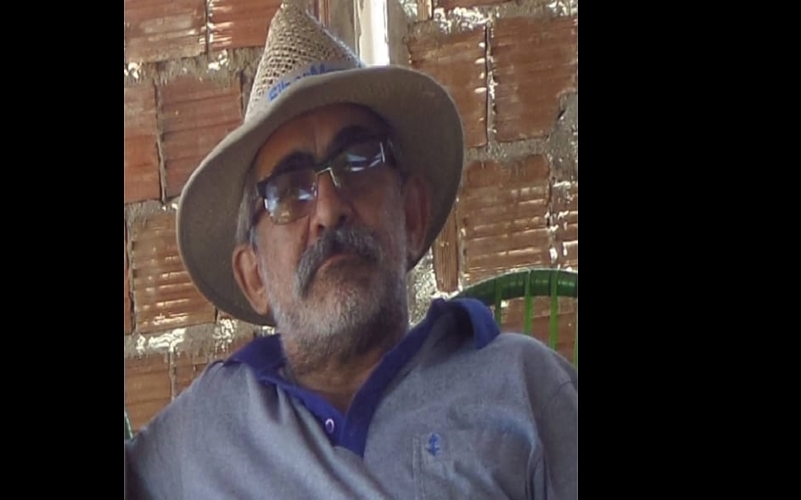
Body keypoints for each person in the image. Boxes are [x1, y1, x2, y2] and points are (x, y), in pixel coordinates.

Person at [125, 3, 577, 499]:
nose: (328, 209)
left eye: (358, 161)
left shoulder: (524, 388)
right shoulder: (198, 436)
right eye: (288, 190)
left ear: (411, 214)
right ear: (253, 276)